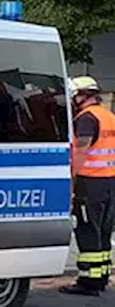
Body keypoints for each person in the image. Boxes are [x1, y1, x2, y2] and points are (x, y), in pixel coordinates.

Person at [61, 76, 115, 295]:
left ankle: (88, 282)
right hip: (109, 180)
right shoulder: (108, 116)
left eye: (75, 96)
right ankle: (101, 276)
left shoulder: (86, 118)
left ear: (82, 96)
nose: (73, 100)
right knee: (103, 231)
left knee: (87, 230)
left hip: (89, 181)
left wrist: (71, 183)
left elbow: (81, 152)